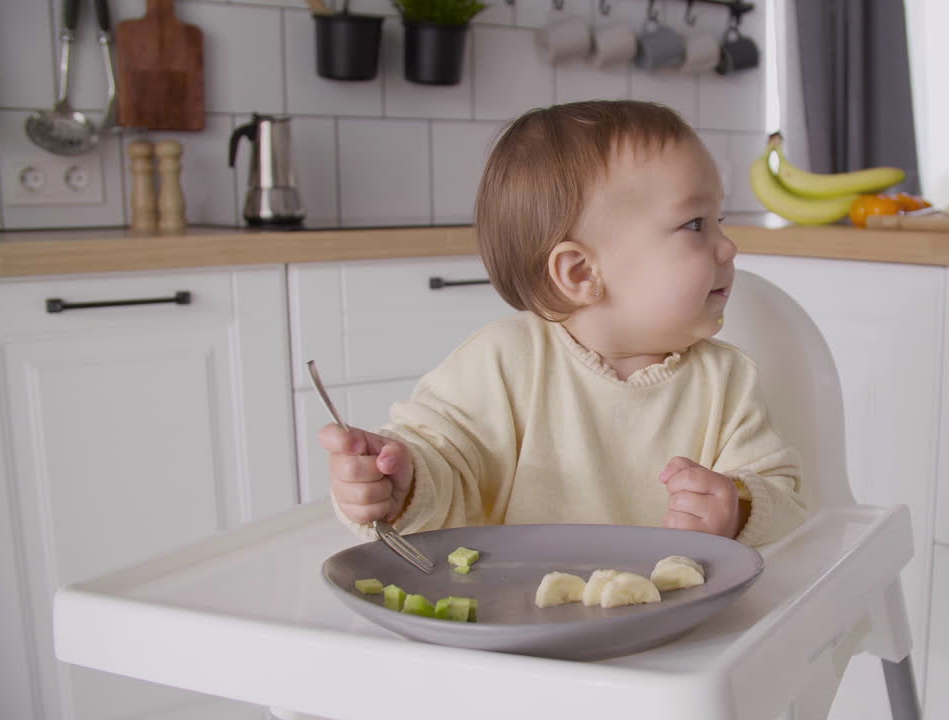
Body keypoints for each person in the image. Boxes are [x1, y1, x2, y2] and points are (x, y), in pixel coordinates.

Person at [320, 100, 807, 546]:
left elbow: (788, 505)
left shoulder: (727, 381)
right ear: (581, 274)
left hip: (685, 611)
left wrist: (738, 509)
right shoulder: (503, 362)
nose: (728, 246)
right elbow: (444, 460)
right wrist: (401, 484)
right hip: (519, 607)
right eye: (695, 224)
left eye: (719, 220)